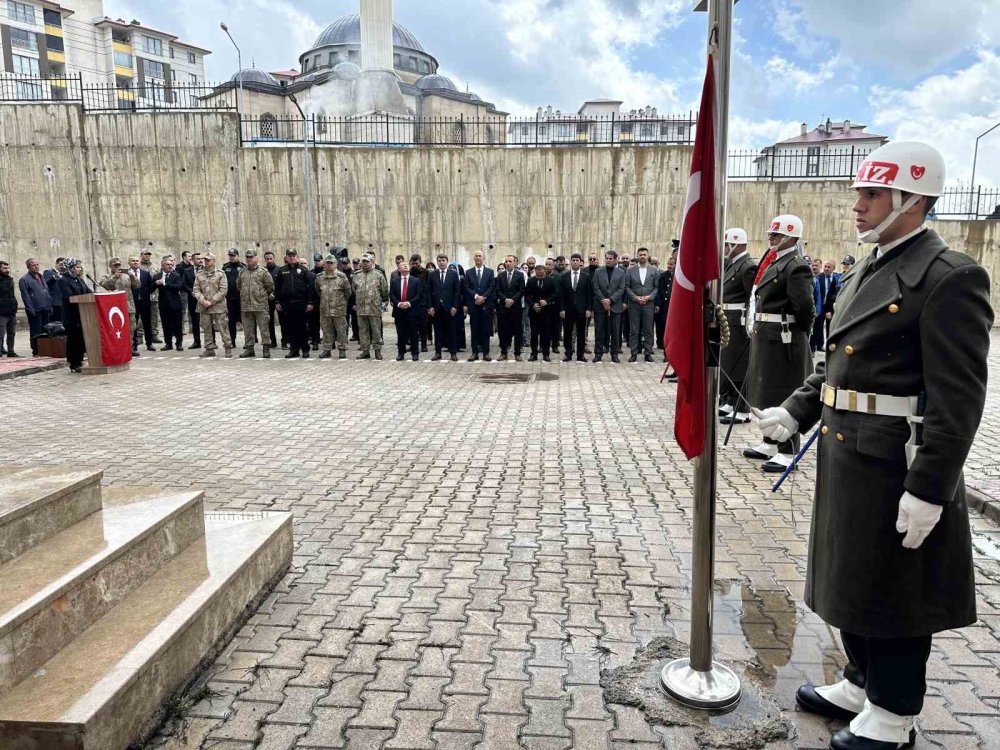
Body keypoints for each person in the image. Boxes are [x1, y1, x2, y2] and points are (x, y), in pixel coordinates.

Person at [755, 142, 993, 750]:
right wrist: (795, 410)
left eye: (872, 194)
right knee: (853, 575)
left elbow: (958, 398)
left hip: (897, 461)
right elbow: (838, 364)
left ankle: (894, 713)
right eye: (860, 192)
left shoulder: (950, 277)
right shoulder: (870, 265)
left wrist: (930, 489)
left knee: (896, 589)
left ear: (913, 200)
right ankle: (861, 681)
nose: (856, 205)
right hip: (848, 449)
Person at [743, 215, 815, 473]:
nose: (770, 238)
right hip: (768, 334)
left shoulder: (796, 265)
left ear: (790, 237)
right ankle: (770, 442)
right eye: (771, 234)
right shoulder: (775, 261)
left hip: (785, 337)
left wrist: (801, 334)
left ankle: (788, 450)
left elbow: (805, 307)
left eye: (775, 235)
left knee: (785, 390)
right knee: (767, 389)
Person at [718, 229, 757, 424]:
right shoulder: (732, 264)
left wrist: (749, 324)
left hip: (739, 321)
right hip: (729, 318)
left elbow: (753, 298)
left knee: (740, 366)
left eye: (727, 244)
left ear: (737, 244)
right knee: (729, 363)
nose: (725, 248)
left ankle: (743, 408)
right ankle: (731, 401)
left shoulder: (747, 266)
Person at [274, 249, 315, 358]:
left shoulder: (303, 271)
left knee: (302, 328)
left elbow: (310, 288)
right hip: (287, 304)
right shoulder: (282, 271)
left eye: (293, 255)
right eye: (289, 255)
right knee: (290, 328)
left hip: (301, 304)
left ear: (297, 257)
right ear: (286, 258)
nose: (291, 257)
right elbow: (277, 288)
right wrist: (277, 301)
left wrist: (310, 303)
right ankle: (294, 350)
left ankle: (305, 349)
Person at [192, 253, 234, 358]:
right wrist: (203, 301)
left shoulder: (220, 274)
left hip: (218, 307)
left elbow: (223, 290)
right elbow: (196, 290)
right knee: (206, 328)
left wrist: (212, 301)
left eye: (208, 260)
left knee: (223, 328)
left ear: (214, 261)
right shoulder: (199, 274)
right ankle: (209, 349)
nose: (206, 262)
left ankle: (228, 348)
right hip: (204, 306)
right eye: (205, 260)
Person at [98, 257, 140, 357]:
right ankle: (119, 349)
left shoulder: (126, 276)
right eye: (115, 265)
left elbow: (138, 285)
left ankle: (130, 348)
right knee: (117, 330)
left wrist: (133, 276)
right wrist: (115, 277)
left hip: (128, 306)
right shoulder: (107, 276)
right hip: (115, 309)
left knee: (131, 329)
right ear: (110, 266)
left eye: (119, 265)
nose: (117, 267)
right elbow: (106, 285)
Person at [237, 249, 275, 358]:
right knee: (248, 330)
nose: (249, 259)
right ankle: (249, 349)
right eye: (247, 257)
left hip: (260, 305)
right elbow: (238, 285)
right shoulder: (242, 272)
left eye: (251, 257)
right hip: (246, 306)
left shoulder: (263, 272)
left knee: (264, 328)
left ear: (256, 258)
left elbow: (270, 287)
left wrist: (261, 296)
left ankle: (266, 349)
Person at [625, 247, 659, 362]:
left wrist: (649, 297)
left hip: (648, 304)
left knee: (648, 330)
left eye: (644, 254)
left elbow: (656, 287)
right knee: (634, 330)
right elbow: (627, 286)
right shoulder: (630, 270)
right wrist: (635, 297)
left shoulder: (654, 270)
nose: (642, 256)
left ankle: (648, 353)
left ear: (647, 255)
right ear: (637, 256)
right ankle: (634, 353)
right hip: (634, 304)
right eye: (640, 255)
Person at [352, 254, 389, 360]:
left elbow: (384, 291)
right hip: (361, 308)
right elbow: (354, 289)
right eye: (363, 261)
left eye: (367, 261)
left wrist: (380, 303)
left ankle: (377, 351)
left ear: (372, 262)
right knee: (363, 331)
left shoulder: (378, 275)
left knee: (376, 330)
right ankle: (365, 351)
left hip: (374, 308)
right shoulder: (357, 275)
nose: (365, 263)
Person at [592, 250, 626, 363]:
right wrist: (603, 300)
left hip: (615, 306)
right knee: (599, 331)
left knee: (615, 332)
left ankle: (614, 354)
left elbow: (622, 288)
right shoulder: (598, 271)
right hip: (600, 306)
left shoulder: (621, 272)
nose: (608, 260)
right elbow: (595, 287)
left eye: (611, 258)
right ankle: (598, 354)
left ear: (616, 260)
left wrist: (611, 300)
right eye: (606, 258)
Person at [57, 258, 91, 372]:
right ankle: (74, 363)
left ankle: (80, 360)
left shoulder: (79, 280)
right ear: (70, 268)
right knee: (73, 339)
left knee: (81, 338)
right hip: (71, 315)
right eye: (77, 267)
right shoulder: (63, 280)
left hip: (82, 314)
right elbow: (69, 296)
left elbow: (88, 291)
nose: (79, 269)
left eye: (80, 267)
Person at [428, 254, 461, 361]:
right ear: (437, 262)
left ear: (447, 262)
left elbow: (457, 292)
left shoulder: (454, 274)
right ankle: (438, 352)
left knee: (451, 331)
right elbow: (428, 291)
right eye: (439, 260)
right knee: (437, 331)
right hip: (437, 308)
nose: (441, 262)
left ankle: (453, 353)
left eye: (443, 260)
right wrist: (430, 307)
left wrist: (455, 306)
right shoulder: (432, 274)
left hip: (449, 308)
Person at [559, 253, 591, 362]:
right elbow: (561, 295)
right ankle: (568, 354)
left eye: (577, 260)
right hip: (568, 309)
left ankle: (580, 355)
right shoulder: (564, 276)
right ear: (570, 262)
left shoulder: (586, 276)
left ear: (581, 262)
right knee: (567, 333)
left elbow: (589, 294)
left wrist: (588, 309)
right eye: (573, 260)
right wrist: (562, 309)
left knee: (581, 333)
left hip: (581, 310)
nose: (575, 262)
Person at [464, 250, 495, 361]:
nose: (478, 258)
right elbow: (467, 287)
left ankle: (486, 353)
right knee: (474, 330)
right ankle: (474, 353)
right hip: (474, 305)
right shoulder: (468, 272)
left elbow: (491, 287)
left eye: (480, 256)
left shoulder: (490, 272)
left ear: (484, 258)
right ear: (474, 258)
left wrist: (483, 297)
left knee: (485, 330)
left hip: (486, 305)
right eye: (476, 256)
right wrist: (476, 296)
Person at [19, 258, 53, 356]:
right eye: (34, 265)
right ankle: (36, 350)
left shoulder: (40, 276)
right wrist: (31, 309)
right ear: (28, 267)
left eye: (37, 264)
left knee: (46, 331)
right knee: (36, 332)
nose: (37, 266)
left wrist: (50, 305)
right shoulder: (24, 279)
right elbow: (26, 296)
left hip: (46, 308)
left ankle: (45, 349)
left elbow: (46, 291)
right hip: (35, 310)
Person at [390, 258, 422, 361]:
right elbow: (392, 295)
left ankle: (415, 353)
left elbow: (418, 295)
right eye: (402, 265)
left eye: (406, 265)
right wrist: (399, 304)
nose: (405, 266)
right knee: (401, 334)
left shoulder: (416, 280)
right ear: (399, 269)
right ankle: (401, 353)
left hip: (412, 311)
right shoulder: (395, 281)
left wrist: (408, 303)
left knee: (413, 334)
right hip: (399, 311)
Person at [524, 264, 557, 362]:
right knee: (534, 335)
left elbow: (556, 293)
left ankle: (546, 354)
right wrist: (532, 304)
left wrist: (547, 301)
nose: (539, 277)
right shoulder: (531, 281)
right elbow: (526, 295)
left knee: (546, 334)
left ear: (545, 273)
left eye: (541, 275)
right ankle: (533, 354)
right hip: (534, 312)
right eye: (538, 275)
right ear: (535, 273)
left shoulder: (551, 281)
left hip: (547, 312)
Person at [496, 254, 525, 362]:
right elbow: (497, 290)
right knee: (503, 330)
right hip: (503, 308)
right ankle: (504, 353)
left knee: (518, 331)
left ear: (514, 263)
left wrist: (513, 300)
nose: (508, 263)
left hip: (515, 308)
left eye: (510, 261)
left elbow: (522, 290)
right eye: (506, 261)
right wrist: (505, 300)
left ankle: (517, 353)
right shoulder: (500, 275)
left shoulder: (520, 275)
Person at [655, 242, 678, 364]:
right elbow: (659, 291)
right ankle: (666, 354)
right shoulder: (662, 276)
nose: (669, 266)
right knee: (664, 331)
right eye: (668, 264)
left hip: (672, 308)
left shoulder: (677, 277)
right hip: (664, 308)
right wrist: (658, 304)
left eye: (672, 264)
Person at [154, 256, 184, 350]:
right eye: (168, 264)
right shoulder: (157, 276)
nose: (170, 266)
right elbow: (150, 289)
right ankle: (168, 344)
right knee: (166, 325)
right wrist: (156, 284)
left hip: (175, 304)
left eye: (171, 264)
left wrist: (166, 284)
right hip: (163, 305)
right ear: (162, 265)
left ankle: (179, 344)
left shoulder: (176, 275)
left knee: (178, 325)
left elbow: (178, 286)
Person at [128, 255, 155, 352]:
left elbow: (151, 287)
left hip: (145, 302)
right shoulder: (126, 274)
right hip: (132, 302)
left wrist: (154, 286)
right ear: (129, 263)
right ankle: (134, 345)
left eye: (137, 261)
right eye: (133, 261)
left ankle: (149, 343)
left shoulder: (145, 274)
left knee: (147, 323)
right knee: (133, 324)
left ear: (139, 262)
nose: (135, 262)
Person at [222, 249, 245, 346]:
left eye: (233, 255)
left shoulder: (243, 267)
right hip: (230, 299)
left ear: (238, 256)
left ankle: (248, 342)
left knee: (245, 321)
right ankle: (232, 341)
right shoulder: (225, 267)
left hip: (241, 299)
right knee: (231, 322)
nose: (232, 257)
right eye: (230, 255)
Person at [139, 249, 162, 343]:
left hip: (154, 295)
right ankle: (139, 336)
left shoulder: (155, 267)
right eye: (145, 254)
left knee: (154, 317)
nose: (147, 256)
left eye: (149, 254)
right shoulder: (138, 266)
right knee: (141, 317)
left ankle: (154, 335)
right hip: (142, 295)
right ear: (141, 255)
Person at [409, 254, 431, 352]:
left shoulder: (426, 272)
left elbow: (429, 289)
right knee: (412, 326)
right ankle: (413, 345)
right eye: (413, 263)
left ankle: (424, 345)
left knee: (423, 325)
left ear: (420, 262)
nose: (414, 265)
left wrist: (428, 304)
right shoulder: (409, 272)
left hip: (423, 303)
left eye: (416, 263)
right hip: (412, 303)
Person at [178, 251, 198, 348]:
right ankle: (196, 341)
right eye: (198, 259)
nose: (201, 261)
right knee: (192, 318)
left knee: (207, 319)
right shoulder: (185, 269)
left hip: (204, 298)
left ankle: (212, 342)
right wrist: (191, 291)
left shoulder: (205, 270)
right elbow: (183, 283)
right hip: (190, 296)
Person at [0, 260, 18, 357]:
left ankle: (11, 351)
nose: (7, 270)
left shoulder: (10, 280)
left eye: (8, 268)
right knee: (1, 334)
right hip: (1, 312)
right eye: (4, 268)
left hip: (11, 311)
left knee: (11, 333)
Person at [43, 257, 63, 331]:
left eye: (63, 265)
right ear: (56, 264)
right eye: (60, 264)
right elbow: (45, 284)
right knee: (54, 324)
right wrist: (54, 277)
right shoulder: (48, 272)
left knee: (61, 324)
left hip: (62, 303)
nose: (62, 267)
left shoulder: (63, 273)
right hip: (54, 303)